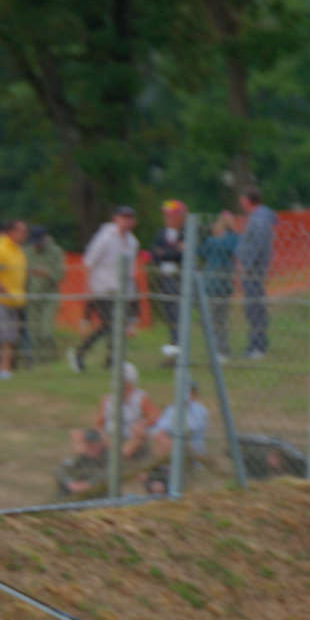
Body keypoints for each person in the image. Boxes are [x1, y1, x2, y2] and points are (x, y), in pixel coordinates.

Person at [71, 204, 137, 372]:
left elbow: (130, 273)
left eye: (129, 218)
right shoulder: (105, 237)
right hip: (102, 289)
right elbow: (89, 262)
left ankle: (110, 359)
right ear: (115, 219)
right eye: (123, 218)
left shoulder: (132, 242)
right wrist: (88, 290)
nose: (126, 222)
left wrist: (132, 297)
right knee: (111, 325)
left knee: (115, 326)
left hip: (122, 291)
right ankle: (82, 353)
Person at [236, 188, 276, 359]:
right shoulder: (258, 217)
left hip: (253, 271)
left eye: (242, 199)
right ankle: (257, 343)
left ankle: (258, 346)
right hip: (253, 270)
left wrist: (247, 265)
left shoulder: (258, 219)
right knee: (253, 308)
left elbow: (257, 244)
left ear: (247, 200)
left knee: (254, 309)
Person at [0, 217, 27, 379]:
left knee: (10, 336)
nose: (24, 234)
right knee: (1, 336)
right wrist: (1, 290)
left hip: (15, 299)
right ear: (11, 232)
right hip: (0, 299)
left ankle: (4, 368)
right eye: (21, 231)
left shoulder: (17, 249)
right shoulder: (0, 247)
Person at [198, 210, 239, 359]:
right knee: (213, 319)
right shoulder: (213, 240)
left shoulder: (229, 239)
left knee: (218, 320)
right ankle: (217, 349)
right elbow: (201, 252)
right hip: (212, 284)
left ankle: (221, 350)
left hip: (221, 284)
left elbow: (231, 247)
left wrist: (226, 230)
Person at [150, 199, 187, 349]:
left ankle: (179, 342)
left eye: (171, 215)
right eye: (166, 215)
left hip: (178, 278)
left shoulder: (185, 233)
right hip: (164, 277)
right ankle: (174, 341)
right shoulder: (161, 233)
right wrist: (173, 252)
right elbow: (154, 253)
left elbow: (181, 256)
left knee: (177, 311)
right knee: (168, 311)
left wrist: (165, 253)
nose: (168, 218)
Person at [146, 381, 211, 464]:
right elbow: (159, 428)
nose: (189, 395)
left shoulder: (200, 411)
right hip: (171, 443)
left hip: (191, 447)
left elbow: (191, 429)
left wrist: (167, 431)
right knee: (160, 438)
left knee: (166, 442)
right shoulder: (171, 409)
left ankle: (165, 468)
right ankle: (163, 468)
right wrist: (161, 433)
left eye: (192, 392)